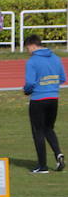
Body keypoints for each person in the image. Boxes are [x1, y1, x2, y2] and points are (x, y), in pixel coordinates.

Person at [23, 34, 65, 173]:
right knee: (49, 128)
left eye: (27, 48)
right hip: (54, 98)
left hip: (38, 99)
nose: (27, 51)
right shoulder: (56, 58)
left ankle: (42, 166)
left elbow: (30, 83)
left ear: (32, 45)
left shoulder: (32, 61)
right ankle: (58, 153)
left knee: (38, 132)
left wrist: (27, 90)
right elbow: (62, 78)